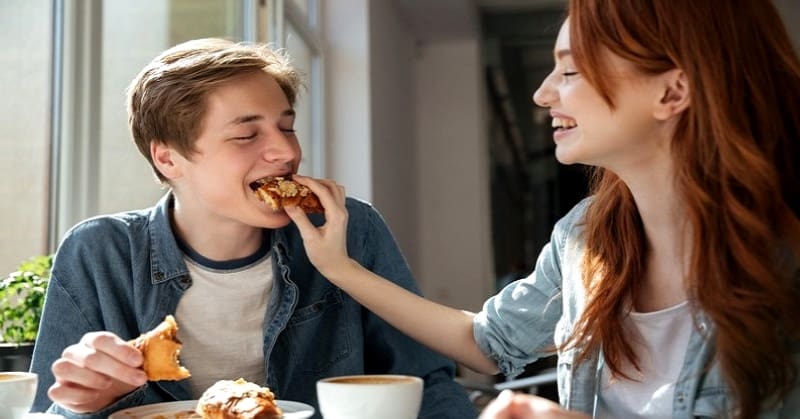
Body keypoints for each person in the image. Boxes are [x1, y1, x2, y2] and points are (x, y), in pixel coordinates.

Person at [284, 0, 800, 417]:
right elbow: (486, 342)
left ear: (672, 90)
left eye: (570, 70)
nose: (542, 93)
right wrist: (340, 269)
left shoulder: (784, 262)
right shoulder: (586, 236)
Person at [28, 38, 476, 419]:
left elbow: (428, 387)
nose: (285, 152)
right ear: (168, 158)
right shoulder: (99, 253)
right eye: (247, 136)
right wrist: (83, 404)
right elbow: (50, 412)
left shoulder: (350, 230)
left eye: (287, 126)